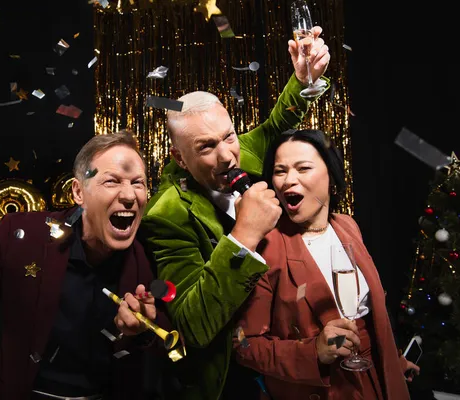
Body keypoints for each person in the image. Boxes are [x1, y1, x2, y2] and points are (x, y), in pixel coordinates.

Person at [0, 131, 170, 400]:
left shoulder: (149, 254)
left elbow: (171, 354)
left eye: (138, 183)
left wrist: (145, 330)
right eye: (111, 181)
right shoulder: (23, 236)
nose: (129, 195)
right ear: (79, 192)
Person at [139, 27, 331, 400]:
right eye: (206, 146)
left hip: (290, 357)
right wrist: (242, 237)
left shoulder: (243, 147)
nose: (227, 155)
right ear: (180, 157)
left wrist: (303, 80)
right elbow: (193, 325)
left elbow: (277, 124)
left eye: (228, 136)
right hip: (233, 379)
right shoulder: (166, 214)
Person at [233, 129, 420, 400]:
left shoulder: (347, 226)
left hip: (375, 380)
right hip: (325, 389)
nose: (288, 181)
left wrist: (395, 363)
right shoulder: (267, 246)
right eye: (280, 171)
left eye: (303, 168)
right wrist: (314, 352)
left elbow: (370, 317)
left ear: (331, 174)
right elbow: (243, 344)